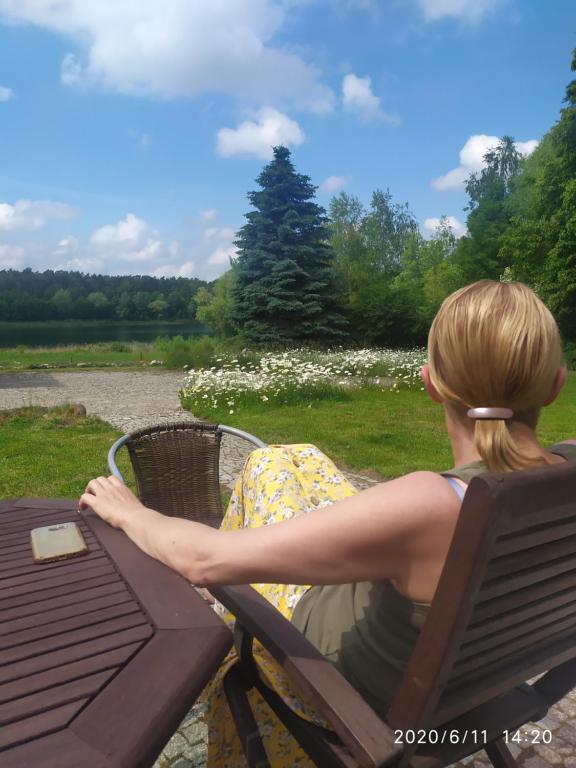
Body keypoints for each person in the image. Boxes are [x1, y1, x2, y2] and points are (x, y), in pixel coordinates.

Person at [80, 280, 576, 767]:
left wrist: (132, 512)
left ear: (430, 382)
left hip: (352, 690)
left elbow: (203, 560)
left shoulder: (433, 505)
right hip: (481, 680)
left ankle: (229, 628)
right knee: (297, 459)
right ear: (556, 384)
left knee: (263, 469)